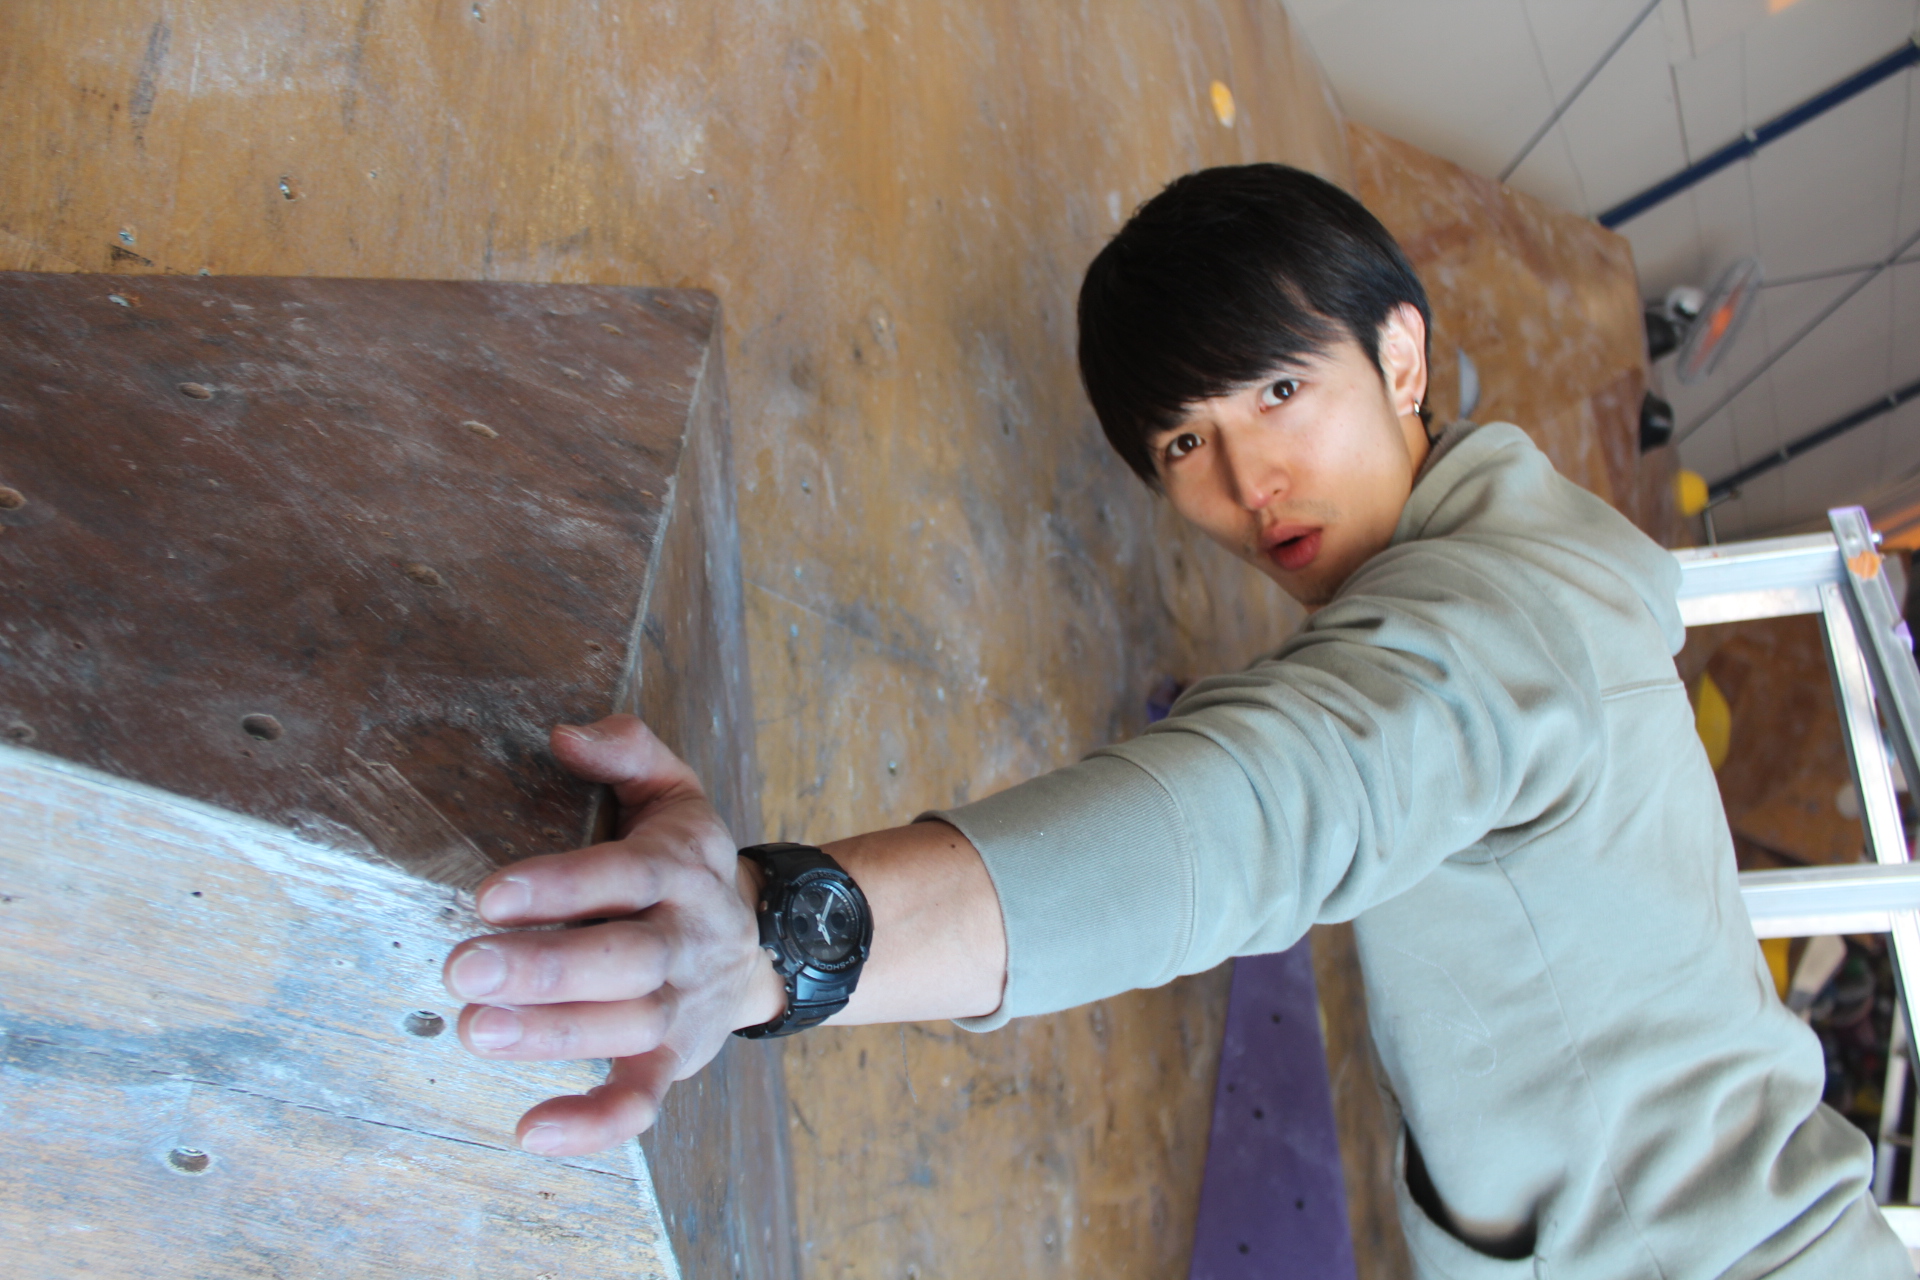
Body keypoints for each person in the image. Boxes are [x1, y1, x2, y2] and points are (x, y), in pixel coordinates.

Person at [439, 165, 1910, 1276]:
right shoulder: (1519, 570)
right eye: (1186, 441)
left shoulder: (1505, 623)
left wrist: (777, 936)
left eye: (1280, 389)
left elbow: (1263, 810)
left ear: (1402, 358)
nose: (1247, 482)